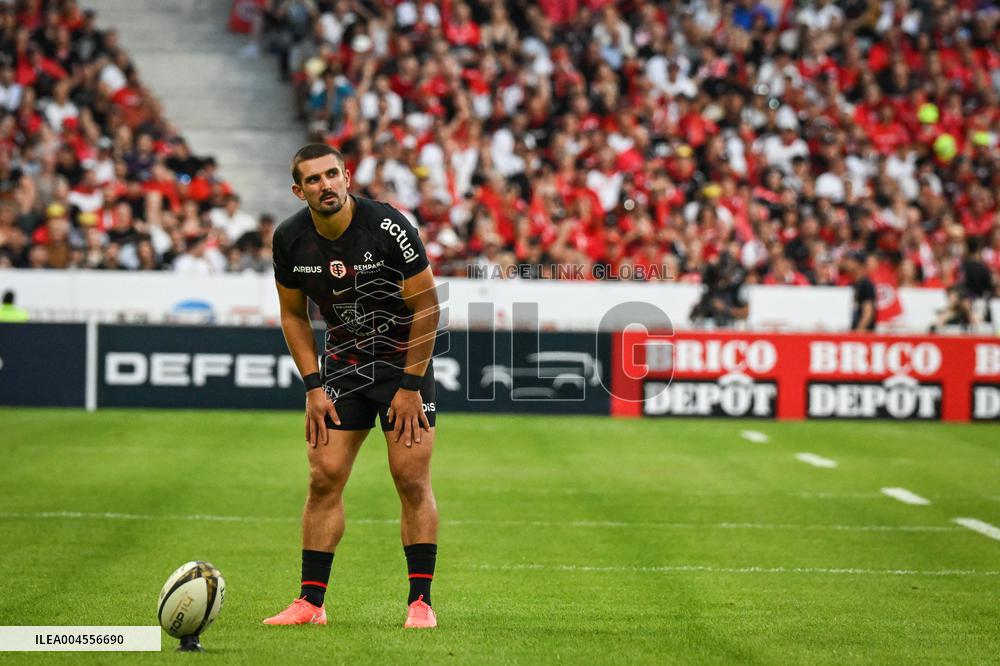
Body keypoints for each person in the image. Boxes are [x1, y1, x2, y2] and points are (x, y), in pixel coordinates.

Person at [263, 144, 441, 629]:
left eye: (332, 175)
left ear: (347, 175)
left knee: (410, 478)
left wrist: (408, 387)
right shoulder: (289, 239)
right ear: (299, 191)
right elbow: (293, 315)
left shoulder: (389, 227)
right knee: (323, 477)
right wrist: (312, 386)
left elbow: (427, 307)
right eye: (314, 180)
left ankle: (420, 603)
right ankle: (310, 603)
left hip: (403, 364)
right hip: (343, 367)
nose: (326, 185)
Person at [844, 251, 876, 332]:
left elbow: (868, 313)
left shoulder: (866, 285)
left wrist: (858, 333)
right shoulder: (850, 284)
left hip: (864, 334)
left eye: (851, 261)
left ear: (859, 264)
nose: (848, 263)